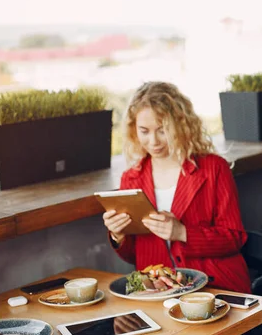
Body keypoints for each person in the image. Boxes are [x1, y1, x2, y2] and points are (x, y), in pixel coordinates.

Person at [103, 81, 251, 293]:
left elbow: (235, 238)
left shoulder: (213, 168)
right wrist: (118, 235)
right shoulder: (131, 178)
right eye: (144, 131)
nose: (153, 141)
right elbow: (133, 256)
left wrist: (182, 232)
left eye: (162, 131)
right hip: (157, 293)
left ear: (181, 126)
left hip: (215, 286)